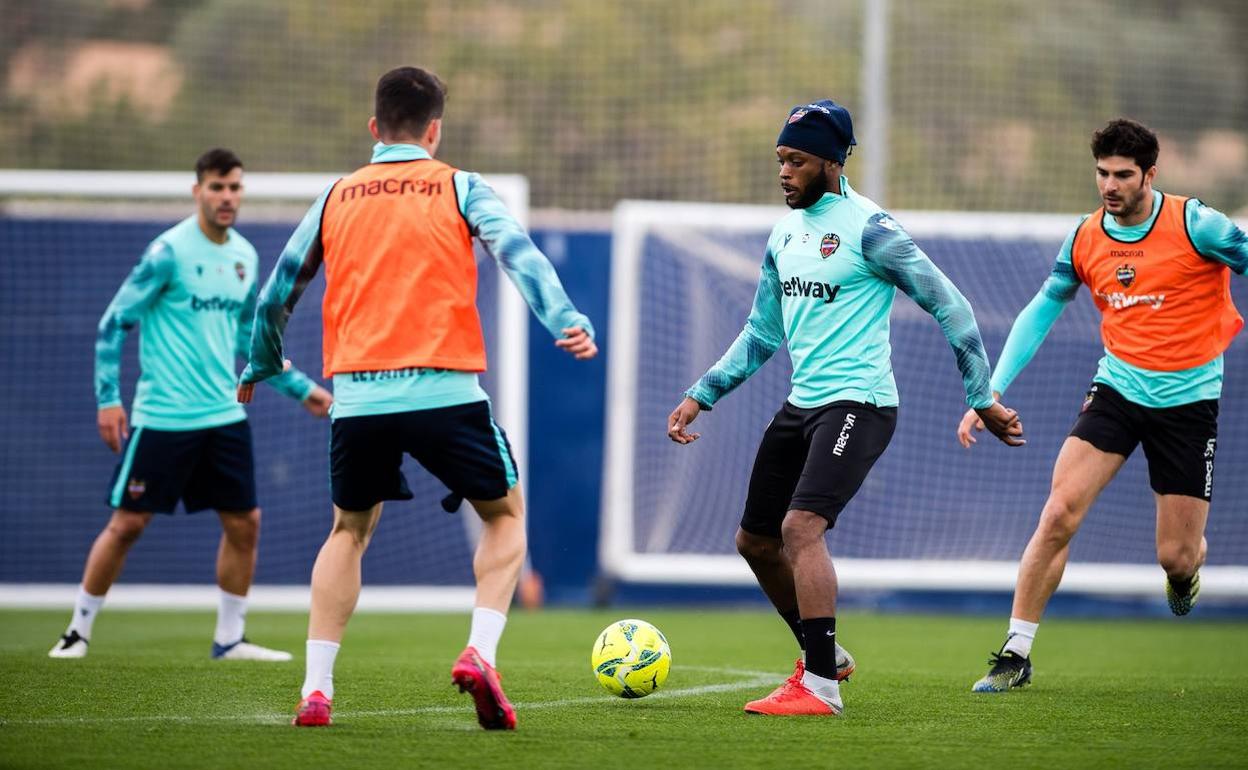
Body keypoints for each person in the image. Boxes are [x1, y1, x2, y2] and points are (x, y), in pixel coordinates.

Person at [238, 66, 596, 730]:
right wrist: (564, 320)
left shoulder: (336, 196)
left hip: (358, 399)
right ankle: (480, 654)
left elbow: (278, 288)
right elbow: (517, 252)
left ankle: (317, 691)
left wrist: (261, 362)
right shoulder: (460, 185)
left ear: (374, 129)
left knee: (348, 531)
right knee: (506, 517)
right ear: (435, 130)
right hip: (445, 390)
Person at [667, 100, 1024, 717]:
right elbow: (761, 331)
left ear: (832, 163)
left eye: (796, 160)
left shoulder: (871, 230)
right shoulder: (783, 234)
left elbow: (953, 307)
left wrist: (981, 397)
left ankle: (820, 688)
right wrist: (704, 392)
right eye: (780, 159)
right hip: (803, 404)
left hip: (860, 403)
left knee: (800, 530)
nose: (784, 171)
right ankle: (827, 656)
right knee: (754, 542)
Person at [960, 118, 1248, 693]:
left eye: (1122, 174)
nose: (1109, 185)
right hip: (1116, 390)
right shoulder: (1086, 236)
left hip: (1188, 403)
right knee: (1059, 512)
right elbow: (1043, 307)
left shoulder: (1197, 224)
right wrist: (990, 389)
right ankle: (1015, 655)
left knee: (1176, 557)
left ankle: (1188, 567)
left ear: (1150, 175)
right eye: (1102, 173)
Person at [49, 148, 333, 662]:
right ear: (197, 190)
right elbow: (113, 323)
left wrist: (302, 389)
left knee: (245, 523)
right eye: (217, 187)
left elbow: (254, 339)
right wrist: (108, 398)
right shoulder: (167, 253)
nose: (227, 197)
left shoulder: (245, 257)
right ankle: (77, 631)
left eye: (235, 188)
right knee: (128, 523)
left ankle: (230, 639)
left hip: (223, 416)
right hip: (163, 417)